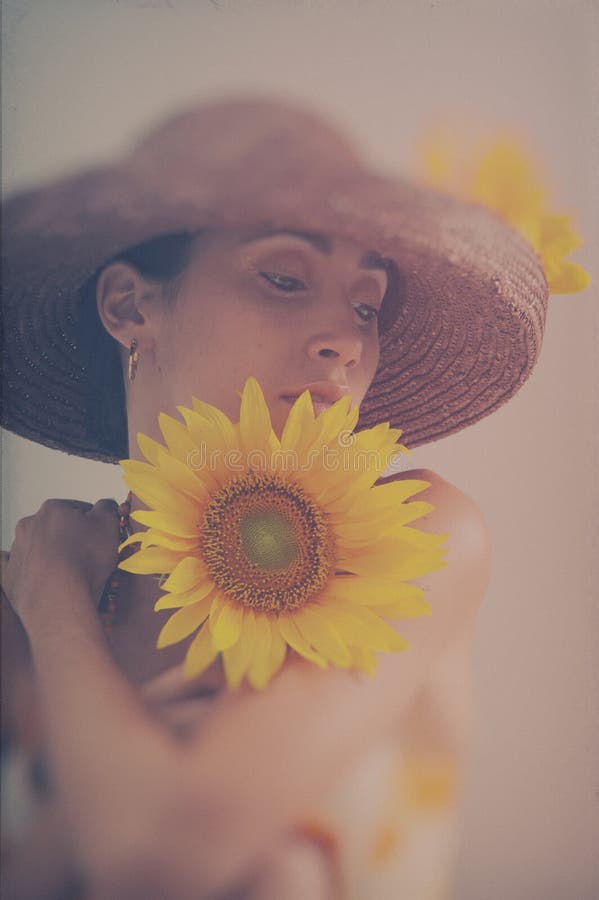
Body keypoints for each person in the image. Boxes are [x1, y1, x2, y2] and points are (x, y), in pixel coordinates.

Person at [1, 98, 555, 899]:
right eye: (285, 277)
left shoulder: (414, 538)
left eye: (366, 304)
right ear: (129, 306)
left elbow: (155, 866)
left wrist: (54, 599)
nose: (349, 338)